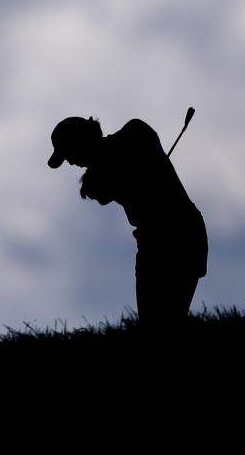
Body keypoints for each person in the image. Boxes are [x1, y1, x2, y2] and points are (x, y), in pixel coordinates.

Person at [48, 115, 208, 326]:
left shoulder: (134, 132)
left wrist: (103, 171)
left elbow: (137, 139)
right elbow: (98, 189)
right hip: (152, 241)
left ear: (83, 141)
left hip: (182, 233)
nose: (69, 162)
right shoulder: (99, 174)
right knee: (156, 323)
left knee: (166, 321)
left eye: (69, 152)